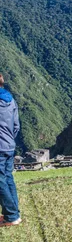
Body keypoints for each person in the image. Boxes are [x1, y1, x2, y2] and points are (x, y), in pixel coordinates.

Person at [0, 73, 22, 227]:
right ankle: (14, 214)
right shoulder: (10, 99)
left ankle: (11, 216)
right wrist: (9, 140)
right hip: (9, 146)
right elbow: (16, 126)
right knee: (7, 178)